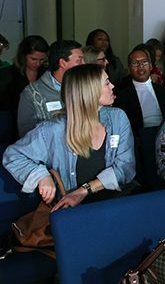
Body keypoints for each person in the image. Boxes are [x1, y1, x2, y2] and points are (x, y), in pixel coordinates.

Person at [3, 64, 136, 210]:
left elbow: (125, 167)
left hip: (118, 201)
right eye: (106, 83)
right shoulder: (53, 130)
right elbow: (13, 155)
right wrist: (41, 175)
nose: (112, 85)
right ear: (89, 91)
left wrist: (84, 190)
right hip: (78, 211)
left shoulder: (117, 117)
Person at [17, 40, 85, 137]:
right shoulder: (32, 93)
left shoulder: (84, 88)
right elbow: (27, 135)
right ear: (62, 63)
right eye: (79, 60)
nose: (84, 64)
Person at [113, 47, 165, 135]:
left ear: (150, 66)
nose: (140, 66)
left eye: (144, 62)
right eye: (135, 63)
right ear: (129, 68)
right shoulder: (121, 96)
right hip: (139, 138)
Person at [0, 35, 49, 113]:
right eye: (33, 59)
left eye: (42, 59)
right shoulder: (7, 75)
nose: (38, 63)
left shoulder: (46, 73)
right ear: (23, 56)